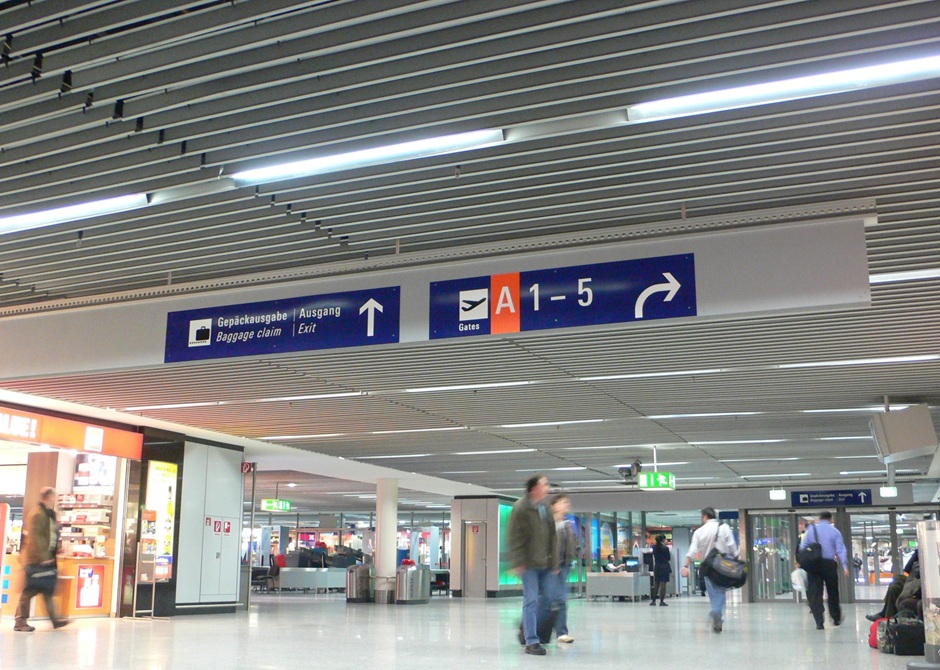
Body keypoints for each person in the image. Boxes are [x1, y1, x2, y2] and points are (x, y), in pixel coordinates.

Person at [508, 474, 557, 656]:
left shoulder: (545, 507)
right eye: (544, 484)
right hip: (528, 564)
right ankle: (531, 641)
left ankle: (526, 626)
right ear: (534, 488)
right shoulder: (520, 507)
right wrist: (518, 561)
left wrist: (554, 561)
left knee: (548, 598)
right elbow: (514, 536)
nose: (547, 487)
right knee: (531, 600)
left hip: (545, 563)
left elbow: (552, 535)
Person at [15, 486, 69, 632]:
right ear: (50, 497)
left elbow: (50, 536)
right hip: (35, 559)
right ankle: (20, 621)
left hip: (45, 558)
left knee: (47, 590)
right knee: (29, 590)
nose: (55, 499)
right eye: (54, 496)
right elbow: (36, 538)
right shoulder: (38, 514)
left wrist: (54, 551)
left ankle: (55, 619)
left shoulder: (49, 514)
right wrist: (44, 557)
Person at [681, 507, 737, 633]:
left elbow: (692, 551)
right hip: (723, 566)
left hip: (707, 567)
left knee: (713, 595)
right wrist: (737, 559)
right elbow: (732, 546)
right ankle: (716, 613)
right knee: (721, 592)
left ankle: (717, 617)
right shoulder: (724, 528)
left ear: (705, 516)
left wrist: (685, 566)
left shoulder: (699, 532)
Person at [799, 510, 849, 630]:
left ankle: (819, 621)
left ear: (820, 518)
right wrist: (845, 566)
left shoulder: (811, 530)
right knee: (832, 591)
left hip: (813, 564)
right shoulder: (835, 531)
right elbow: (840, 549)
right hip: (829, 564)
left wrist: (803, 561)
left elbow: (802, 547)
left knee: (815, 592)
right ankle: (835, 618)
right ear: (830, 519)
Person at [549, 493, 578, 644]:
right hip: (549, 567)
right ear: (554, 506)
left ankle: (561, 632)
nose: (566, 505)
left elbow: (571, 545)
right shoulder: (547, 524)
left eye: (566, 503)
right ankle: (532, 629)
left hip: (563, 566)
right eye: (562, 503)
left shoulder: (567, 524)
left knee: (560, 599)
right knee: (548, 599)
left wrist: (569, 560)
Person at [650, 534, 672, 606]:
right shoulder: (665, 548)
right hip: (664, 567)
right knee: (663, 585)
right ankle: (661, 601)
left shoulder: (654, 547)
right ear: (663, 540)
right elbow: (668, 558)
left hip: (657, 567)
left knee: (656, 584)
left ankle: (653, 601)